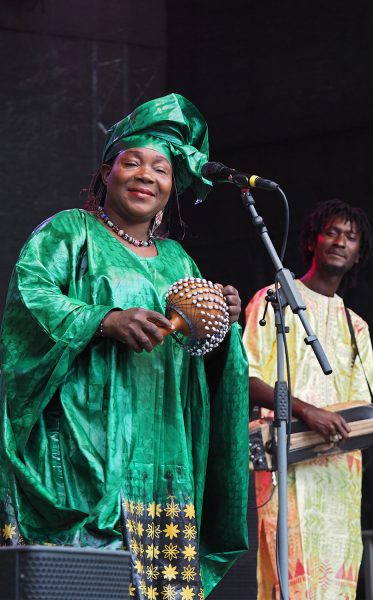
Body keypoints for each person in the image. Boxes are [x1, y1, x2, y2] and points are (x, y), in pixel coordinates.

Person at [0, 93, 249, 598]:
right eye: (131, 162)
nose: (145, 175)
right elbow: (30, 298)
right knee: (87, 585)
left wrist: (221, 323)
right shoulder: (71, 232)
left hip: (163, 455)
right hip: (84, 444)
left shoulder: (179, 261)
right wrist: (105, 319)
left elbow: (201, 361)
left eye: (160, 168)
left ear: (171, 188)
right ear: (106, 174)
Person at [243, 199, 373, 600]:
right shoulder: (273, 299)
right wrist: (307, 412)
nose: (341, 241)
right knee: (289, 582)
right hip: (288, 464)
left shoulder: (357, 327)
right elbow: (245, 377)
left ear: (359, 254)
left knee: (336, 586)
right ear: (313, 241)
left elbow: (365, 408)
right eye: (333, 232)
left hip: (339, 476)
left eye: (350, 237)